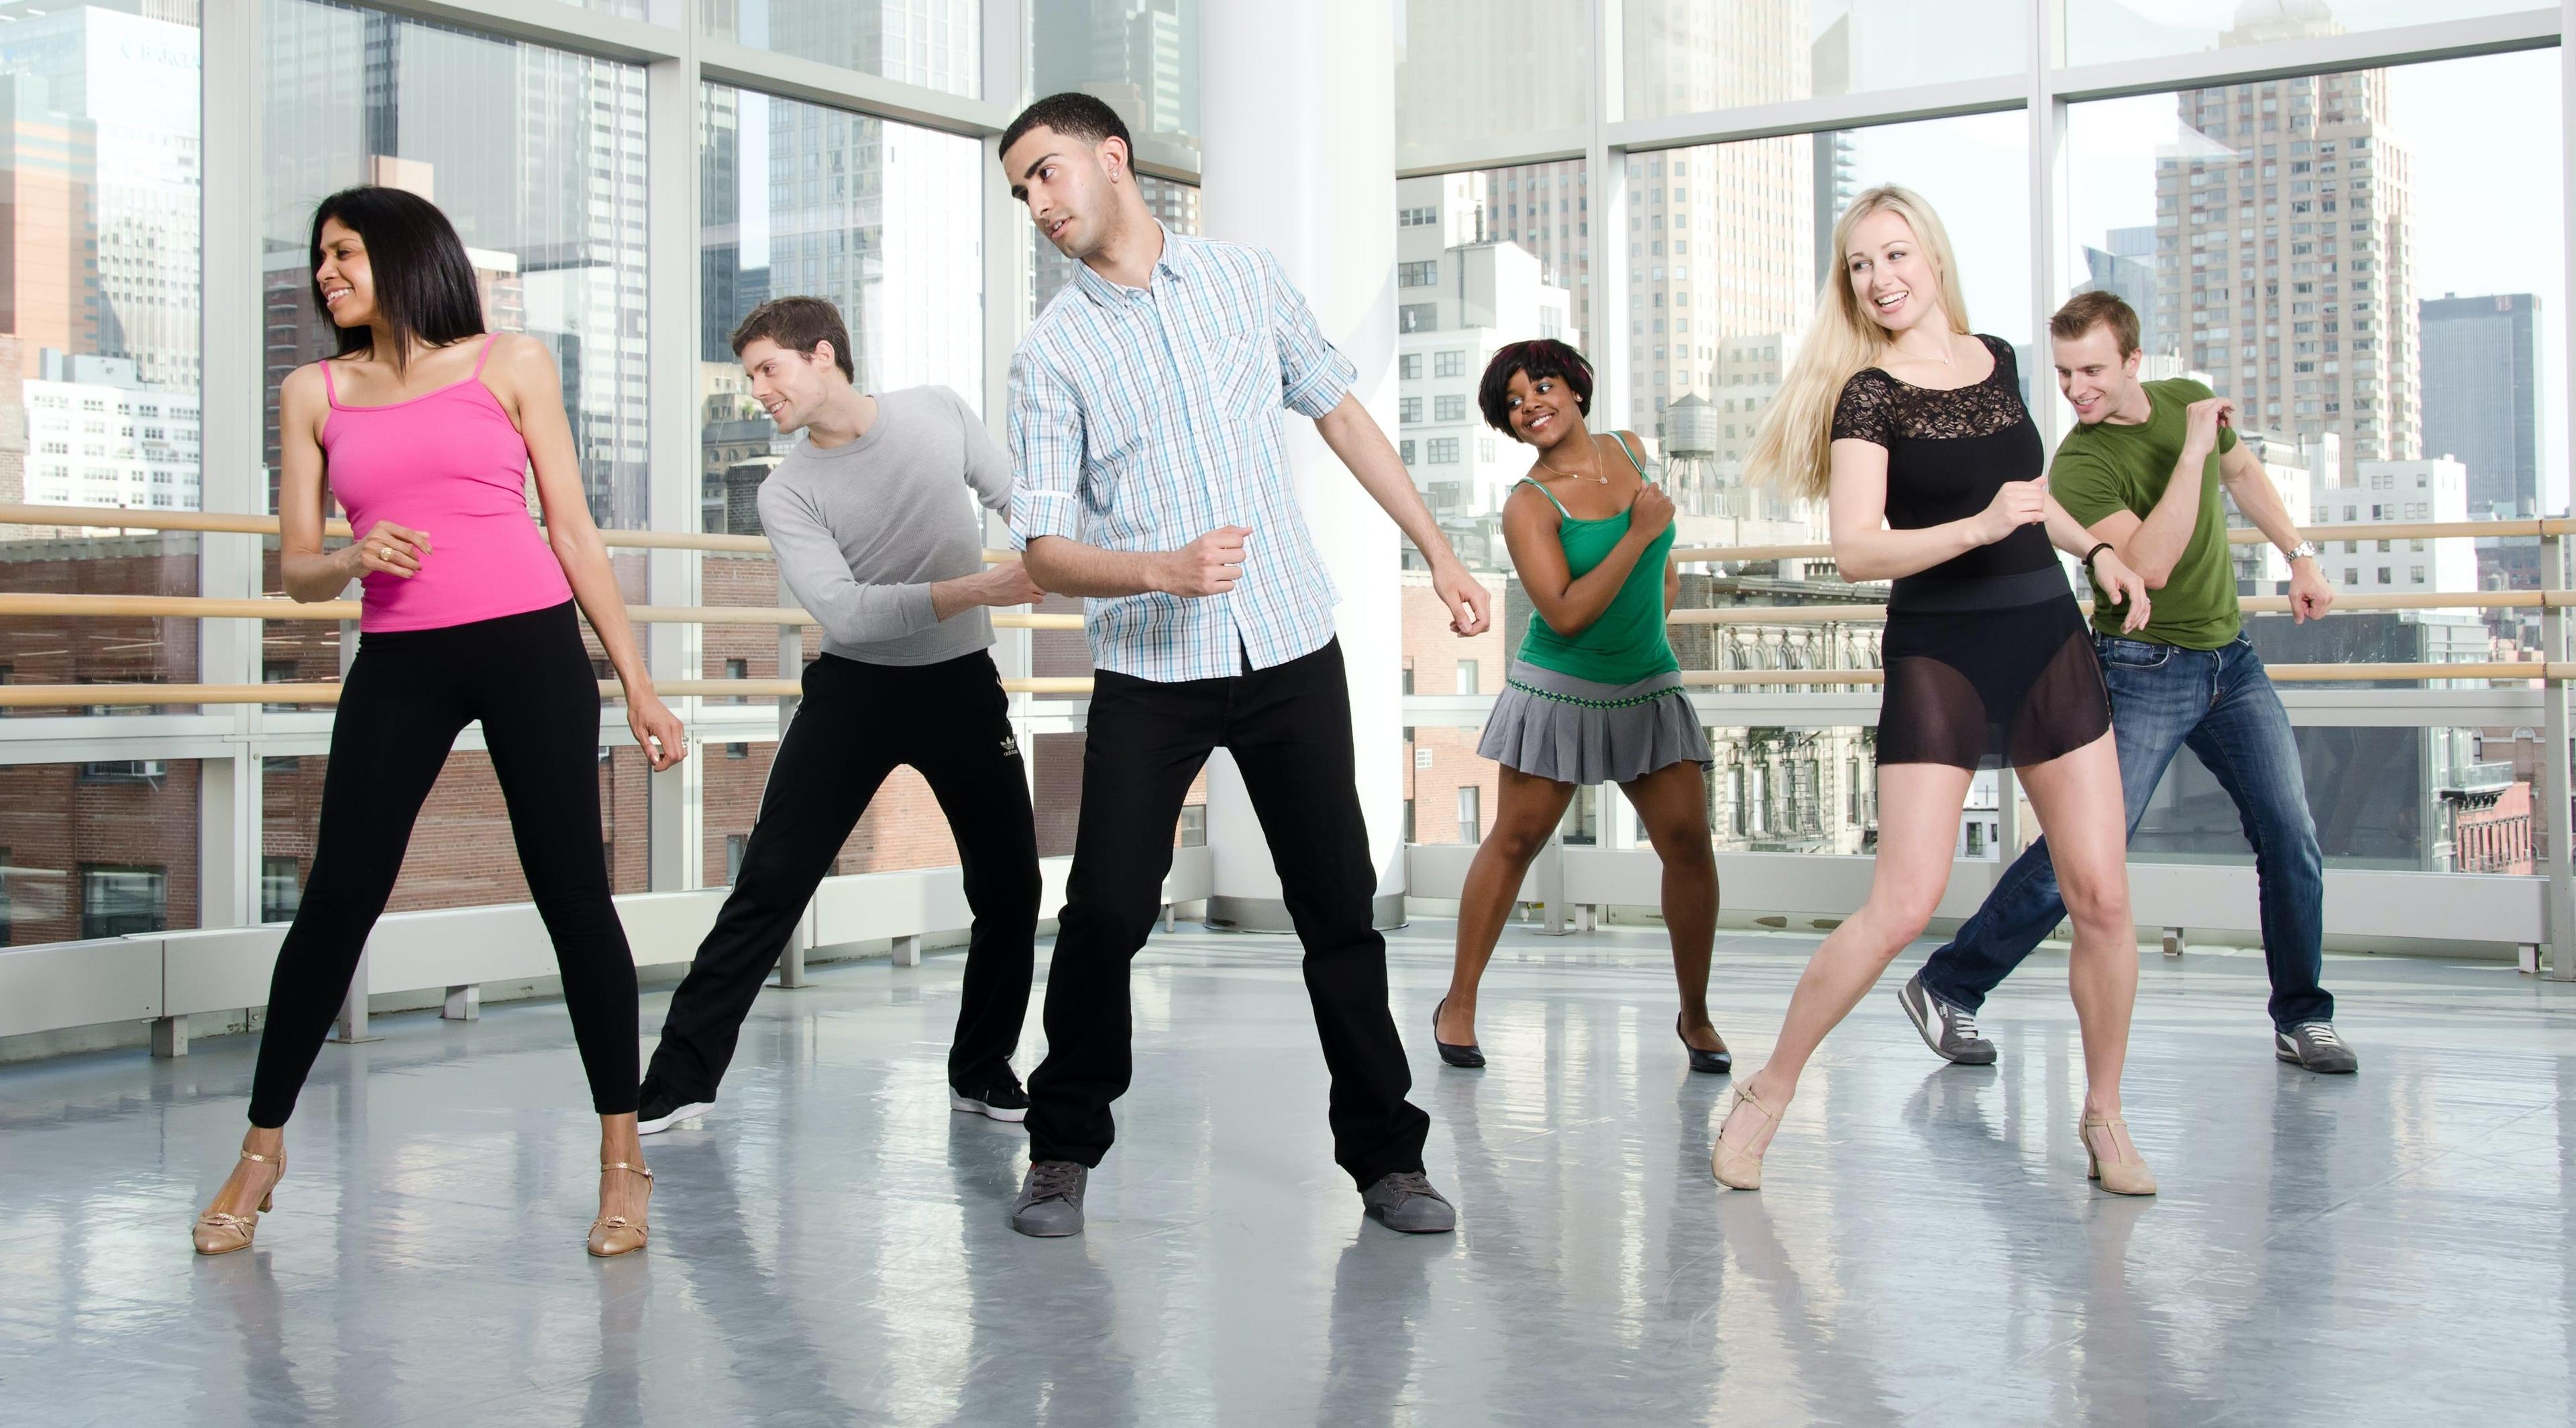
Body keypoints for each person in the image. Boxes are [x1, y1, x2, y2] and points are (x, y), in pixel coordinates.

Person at [994, 93, 1493, 1237]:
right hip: (1152, 672)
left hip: (1287, 647)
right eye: (1022, 191)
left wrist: (1441, 551)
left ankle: (1388, 1160)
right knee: (1107, 912)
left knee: (1338, 912)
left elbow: (1343, 415)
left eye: (1048, 174)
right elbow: (1042, 548)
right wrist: (1162, 568)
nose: (1039, 203)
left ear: (1111, 158)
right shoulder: (1051, 353)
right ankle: (1062, 1145)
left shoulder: (1242, 279)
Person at [192, 186, 688, 1258]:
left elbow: (573, 530)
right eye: (318, 257)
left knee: (572, 895)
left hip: (530, 644)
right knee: (337, 900)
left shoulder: (511, 363)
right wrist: (351, 558)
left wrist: (638, 683)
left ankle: (621, 1157)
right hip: (401, 655)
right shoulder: (313, 390)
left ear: (405, 254)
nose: (326, 272)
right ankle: (261, 1151)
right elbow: (297, 576)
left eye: (345, 252)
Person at [1711, 185, 2163, 1196]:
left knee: (2102, 893)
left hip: (2046, 634)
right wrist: (1976, 528)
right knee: (1902, 906)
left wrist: (2098, 551)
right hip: (1941, 651)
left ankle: (2104, 1116)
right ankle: (1767, 1092)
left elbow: (2033, 503)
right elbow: (1858, 549)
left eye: (1896, 254)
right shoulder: (1866, 394)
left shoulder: (1999, 358)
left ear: (1936, 258)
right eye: (1861, 265)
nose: (1882, 279)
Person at [1900, 291, 2353, 1074]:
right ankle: (1949, 984)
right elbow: (2149, 565)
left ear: (2135, 361)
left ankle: (2302, 1017)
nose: (2078, 389)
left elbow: (2242, 474)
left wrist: (2299, 555)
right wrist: (2189, 455)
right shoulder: (2080, 463)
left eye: (2094, 370)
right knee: (2088, 853)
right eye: (2066, 372)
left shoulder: (2185, 400)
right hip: (2144, 668)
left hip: (2231, 662)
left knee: (2292, 834)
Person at [633, 297, 1046, 1139]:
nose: (757, 390)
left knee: (1012, 883)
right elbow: (850, 615)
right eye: (750, 374)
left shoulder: (936, 413)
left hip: (962, 683)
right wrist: (984, 587)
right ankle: (678, 1080)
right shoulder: (786, 490)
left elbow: (1026, 505)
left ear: (824, 356)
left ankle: (981, 1068)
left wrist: (1110, 557)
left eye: (768, 369)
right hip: (855, 692)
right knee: (772, 883)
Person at [1431, 339, 1728, 1076]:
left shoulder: (1632, 449)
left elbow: (1659, 567)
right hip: (1558, 690)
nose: (1532, 404)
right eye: (1514, 402)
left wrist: (1658, 585)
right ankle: (1458, 1001)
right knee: (1515, 842)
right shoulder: (1528, 505)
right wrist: (1638, 534)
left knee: (1689, 845)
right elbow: (1564, 613)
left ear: (1576, 389)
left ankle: (1695, 1013)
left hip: (1648, 685)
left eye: (1544, 386)